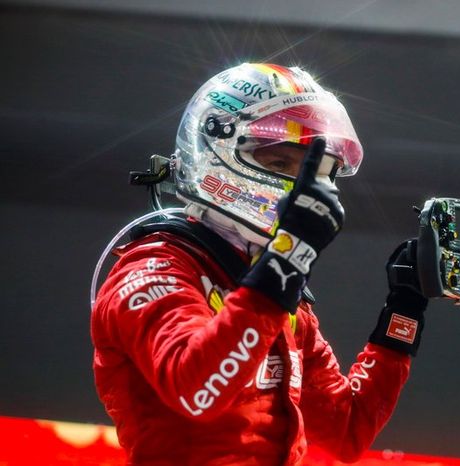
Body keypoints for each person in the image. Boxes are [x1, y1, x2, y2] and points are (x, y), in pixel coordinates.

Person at [91, 63, 429, 466]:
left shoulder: (277, 287)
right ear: (217, 152)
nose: (300, 185)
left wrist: (404, 311)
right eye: (281, 164)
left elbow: (344, 433)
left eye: (313, 171)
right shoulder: (154, 266)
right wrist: (286, 262)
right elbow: (197, 392)